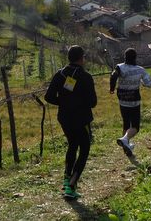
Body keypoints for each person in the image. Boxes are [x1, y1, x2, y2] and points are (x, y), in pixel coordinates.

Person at [45, 45, 97, 200]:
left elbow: (48, 97)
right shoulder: (86, 77)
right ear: (82, 58)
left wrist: (63, 102)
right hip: (81, 119)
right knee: (85, 148)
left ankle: (67, 179)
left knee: (72, 145)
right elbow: (93, 102)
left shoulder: (59, 74)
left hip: (65, 118)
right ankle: (73, 182)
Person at [110, 48, 151, 158]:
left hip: (122, 100)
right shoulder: (140, 70)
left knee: (125, 122)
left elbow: (113, 75)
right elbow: (149, 84)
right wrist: (143, 82)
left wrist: (112, 88)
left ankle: (126, 146)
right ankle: (125, 140)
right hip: (134, 101)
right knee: (135, 126)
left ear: (125, 57)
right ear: (135, 58)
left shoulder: (119, 67)